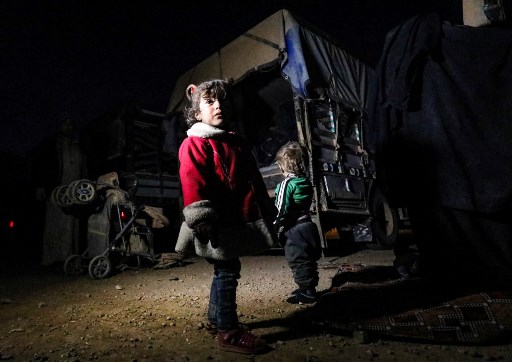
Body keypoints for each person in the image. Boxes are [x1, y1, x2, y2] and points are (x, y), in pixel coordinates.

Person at [174, 79, 277, 355]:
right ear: (197, 112)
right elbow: (192, 181)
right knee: (228, 270)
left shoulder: (232, 142)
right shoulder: (195, 144)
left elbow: (251, 180)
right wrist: (201, 217)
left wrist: (265, 208)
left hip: (232, 221)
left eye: (222, 100)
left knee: (224, 269)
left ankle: (215, 319)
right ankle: (228, 331)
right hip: (215, 224)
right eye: (210, 101)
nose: (218, 105)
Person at [33, 113, 87, 267]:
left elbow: (84, 168)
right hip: (56, 191)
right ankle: (52, 260)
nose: (68, 126)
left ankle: (70, 259)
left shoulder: (78, 146)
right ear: (59, 126)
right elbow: (40, 166)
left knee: (72, 226)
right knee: (54, 225)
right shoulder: (50, 145)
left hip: (75, 192)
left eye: (71, 123)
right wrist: (40, 186)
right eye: (65, 123)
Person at [274, 141, 322, 304]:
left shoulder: (286, 184)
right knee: (308, 259)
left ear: (282, 166)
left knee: (298, 260)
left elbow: (281, 208)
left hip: (294, 229)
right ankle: (309, 287)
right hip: (308, 225)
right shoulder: (305, 182)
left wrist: (275, 225)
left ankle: (307, 293)